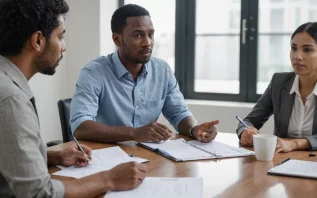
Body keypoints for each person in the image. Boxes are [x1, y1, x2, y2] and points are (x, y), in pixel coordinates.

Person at [0, 0, 146, 197]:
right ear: (37, 40)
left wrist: (51, 155)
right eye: (60, 37)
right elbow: (38, 194)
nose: (63, 47)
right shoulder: (11, 99)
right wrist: (109, 178)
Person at [70, 4, 219, 144]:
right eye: (138, 35)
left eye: (150, 34)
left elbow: (178, 113)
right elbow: (80, 127)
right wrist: (133, 133)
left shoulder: (162, 70)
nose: (147, 42)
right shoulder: (93, 73)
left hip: (148, 157)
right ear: (117, 39)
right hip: (106, 159)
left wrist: (194, 129)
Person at [236, 22, 317, 152]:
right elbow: (249, 120)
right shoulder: (278, 82)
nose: (297, 56)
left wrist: (296, 144)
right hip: (281, 160)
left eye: (307, 50)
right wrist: (245, 132)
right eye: (294, 48)